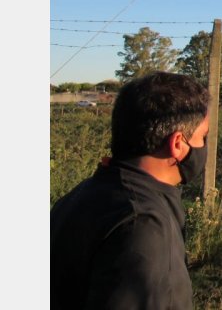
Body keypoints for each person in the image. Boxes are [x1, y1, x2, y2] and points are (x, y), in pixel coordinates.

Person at [51, 71, 210, 310]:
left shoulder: (84, 193)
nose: (203, 147)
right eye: (202, 137)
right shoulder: (143, 224)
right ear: (178, 144)